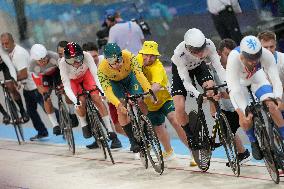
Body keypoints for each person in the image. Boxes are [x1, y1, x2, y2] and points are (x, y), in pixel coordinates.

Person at [137, 41, 196, 165]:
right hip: (150, 105)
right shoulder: (137, 60)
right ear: (142, 53)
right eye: (146, 55)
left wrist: (146, 94)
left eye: (152, 56)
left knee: (175, 120)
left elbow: (156, 86)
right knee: (159, 129)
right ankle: (169, 152)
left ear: (157, 56)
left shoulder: (157, 67)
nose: (148, 58)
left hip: (165, 99)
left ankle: (194, 152)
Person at [226, 35, 284, 160]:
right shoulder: (233, 59)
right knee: (244, 117)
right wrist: (242, 112)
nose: (254, 62)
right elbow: (234, 90)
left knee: (272, 106)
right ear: (242, 55)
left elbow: (275, 80)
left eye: (256, 58)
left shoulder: (265, 54)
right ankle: (253, 141)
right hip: (239, 84)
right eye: (250, 59)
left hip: (257, 78)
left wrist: (278, 98)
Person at [59, 42, 122, 149]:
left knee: (96, 98)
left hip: (86, 76)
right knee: (81, 102)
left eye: (78, 58)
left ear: (82, 55)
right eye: (71, 60)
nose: (75, 63)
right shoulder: (62, 63)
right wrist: (75, 101)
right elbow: (66, 86)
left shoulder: (87, 56)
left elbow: (95, 75)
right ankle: (84, 123)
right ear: (66, 59)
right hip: (73, 81)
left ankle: (110, 131)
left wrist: (101, 91)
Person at [171, 28, 226, 149]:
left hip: (199, 67)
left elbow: (219, 68)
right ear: (188, 48)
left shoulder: (209, 44)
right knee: (179, 106)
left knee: (211, 88)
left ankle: (219, 123)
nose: (201, 54)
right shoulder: (179, 53)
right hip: (181, 72)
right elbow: (186, 81)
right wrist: (198, 94)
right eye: (196, 51)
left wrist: (227, 84)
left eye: (202, 50)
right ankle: (190, 136)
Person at [97, 43, 152, 154]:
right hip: (115, 84)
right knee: (121, 109)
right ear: (107, 61)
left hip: (130, 78)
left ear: (122, 55)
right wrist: (118, 104)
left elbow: (139, 74)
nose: (117, 65)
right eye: (113, 62)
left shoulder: (129, 56)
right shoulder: (101, 69)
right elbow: (108, 91)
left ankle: (146, 128)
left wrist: (148, 90)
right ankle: (132, 140)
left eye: (119, 60)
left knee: (140, 99)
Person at [1, 32, 48, 141]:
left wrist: (12, 81)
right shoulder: (9, 51)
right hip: (27, 87)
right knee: (31, 111)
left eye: (7, 43)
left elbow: (23, 74)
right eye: (2, 44)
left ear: (13, 41)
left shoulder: (19, 54)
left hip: (34, 86)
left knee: (47, 108)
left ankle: (64, 123)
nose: (4, 46)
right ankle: (42, 131)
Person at [214, 38, 251, 165]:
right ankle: (243, 153)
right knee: (225, 133)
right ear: (219, 53)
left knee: (253, 131)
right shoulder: (214, 68)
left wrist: (225, 95)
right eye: (227, 55)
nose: (231, 58)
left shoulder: (240, 65)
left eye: (232, 54)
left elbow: (243, 92)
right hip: (228, 109)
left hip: (243, 106)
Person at [81, 42, 123, 149]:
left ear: (98, 53)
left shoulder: (104, 61)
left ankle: (114, 139)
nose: (93, 59)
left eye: (95, 56)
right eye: (90, 57)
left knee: (101, 106)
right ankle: (98, 137)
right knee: (85, 105)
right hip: (93, 88)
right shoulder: (81, 65)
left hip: (109, 90)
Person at [0, 47, 18, 123]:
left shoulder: (1, 48)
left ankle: (23, 111)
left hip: (5, 64)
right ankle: (5, 114)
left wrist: (14, 79)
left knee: (10, 86)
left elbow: (10, 66)